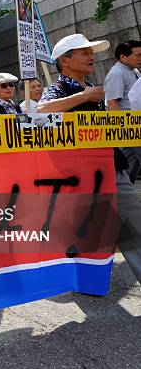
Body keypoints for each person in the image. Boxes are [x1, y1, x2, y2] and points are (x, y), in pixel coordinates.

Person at [37, 33, 140, 283]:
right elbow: (41, 111)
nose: (92, 57)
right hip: (80, 178)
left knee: (135, 226)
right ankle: (79, 275)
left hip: (113, 169)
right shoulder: (57, 89)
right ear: (66, 60)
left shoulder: (92, 86)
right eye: (85, 52)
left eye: (91, 52)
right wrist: (84, 97)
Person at [104, 40, 141, 182]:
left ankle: (121, 193)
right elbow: (112, 102)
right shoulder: (117, 73)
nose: (140, 58)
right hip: (128, 128)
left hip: (134, 127)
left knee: (128, 166)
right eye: (137, 55)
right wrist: (118, 131)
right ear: (123, 57)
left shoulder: (134, 71)